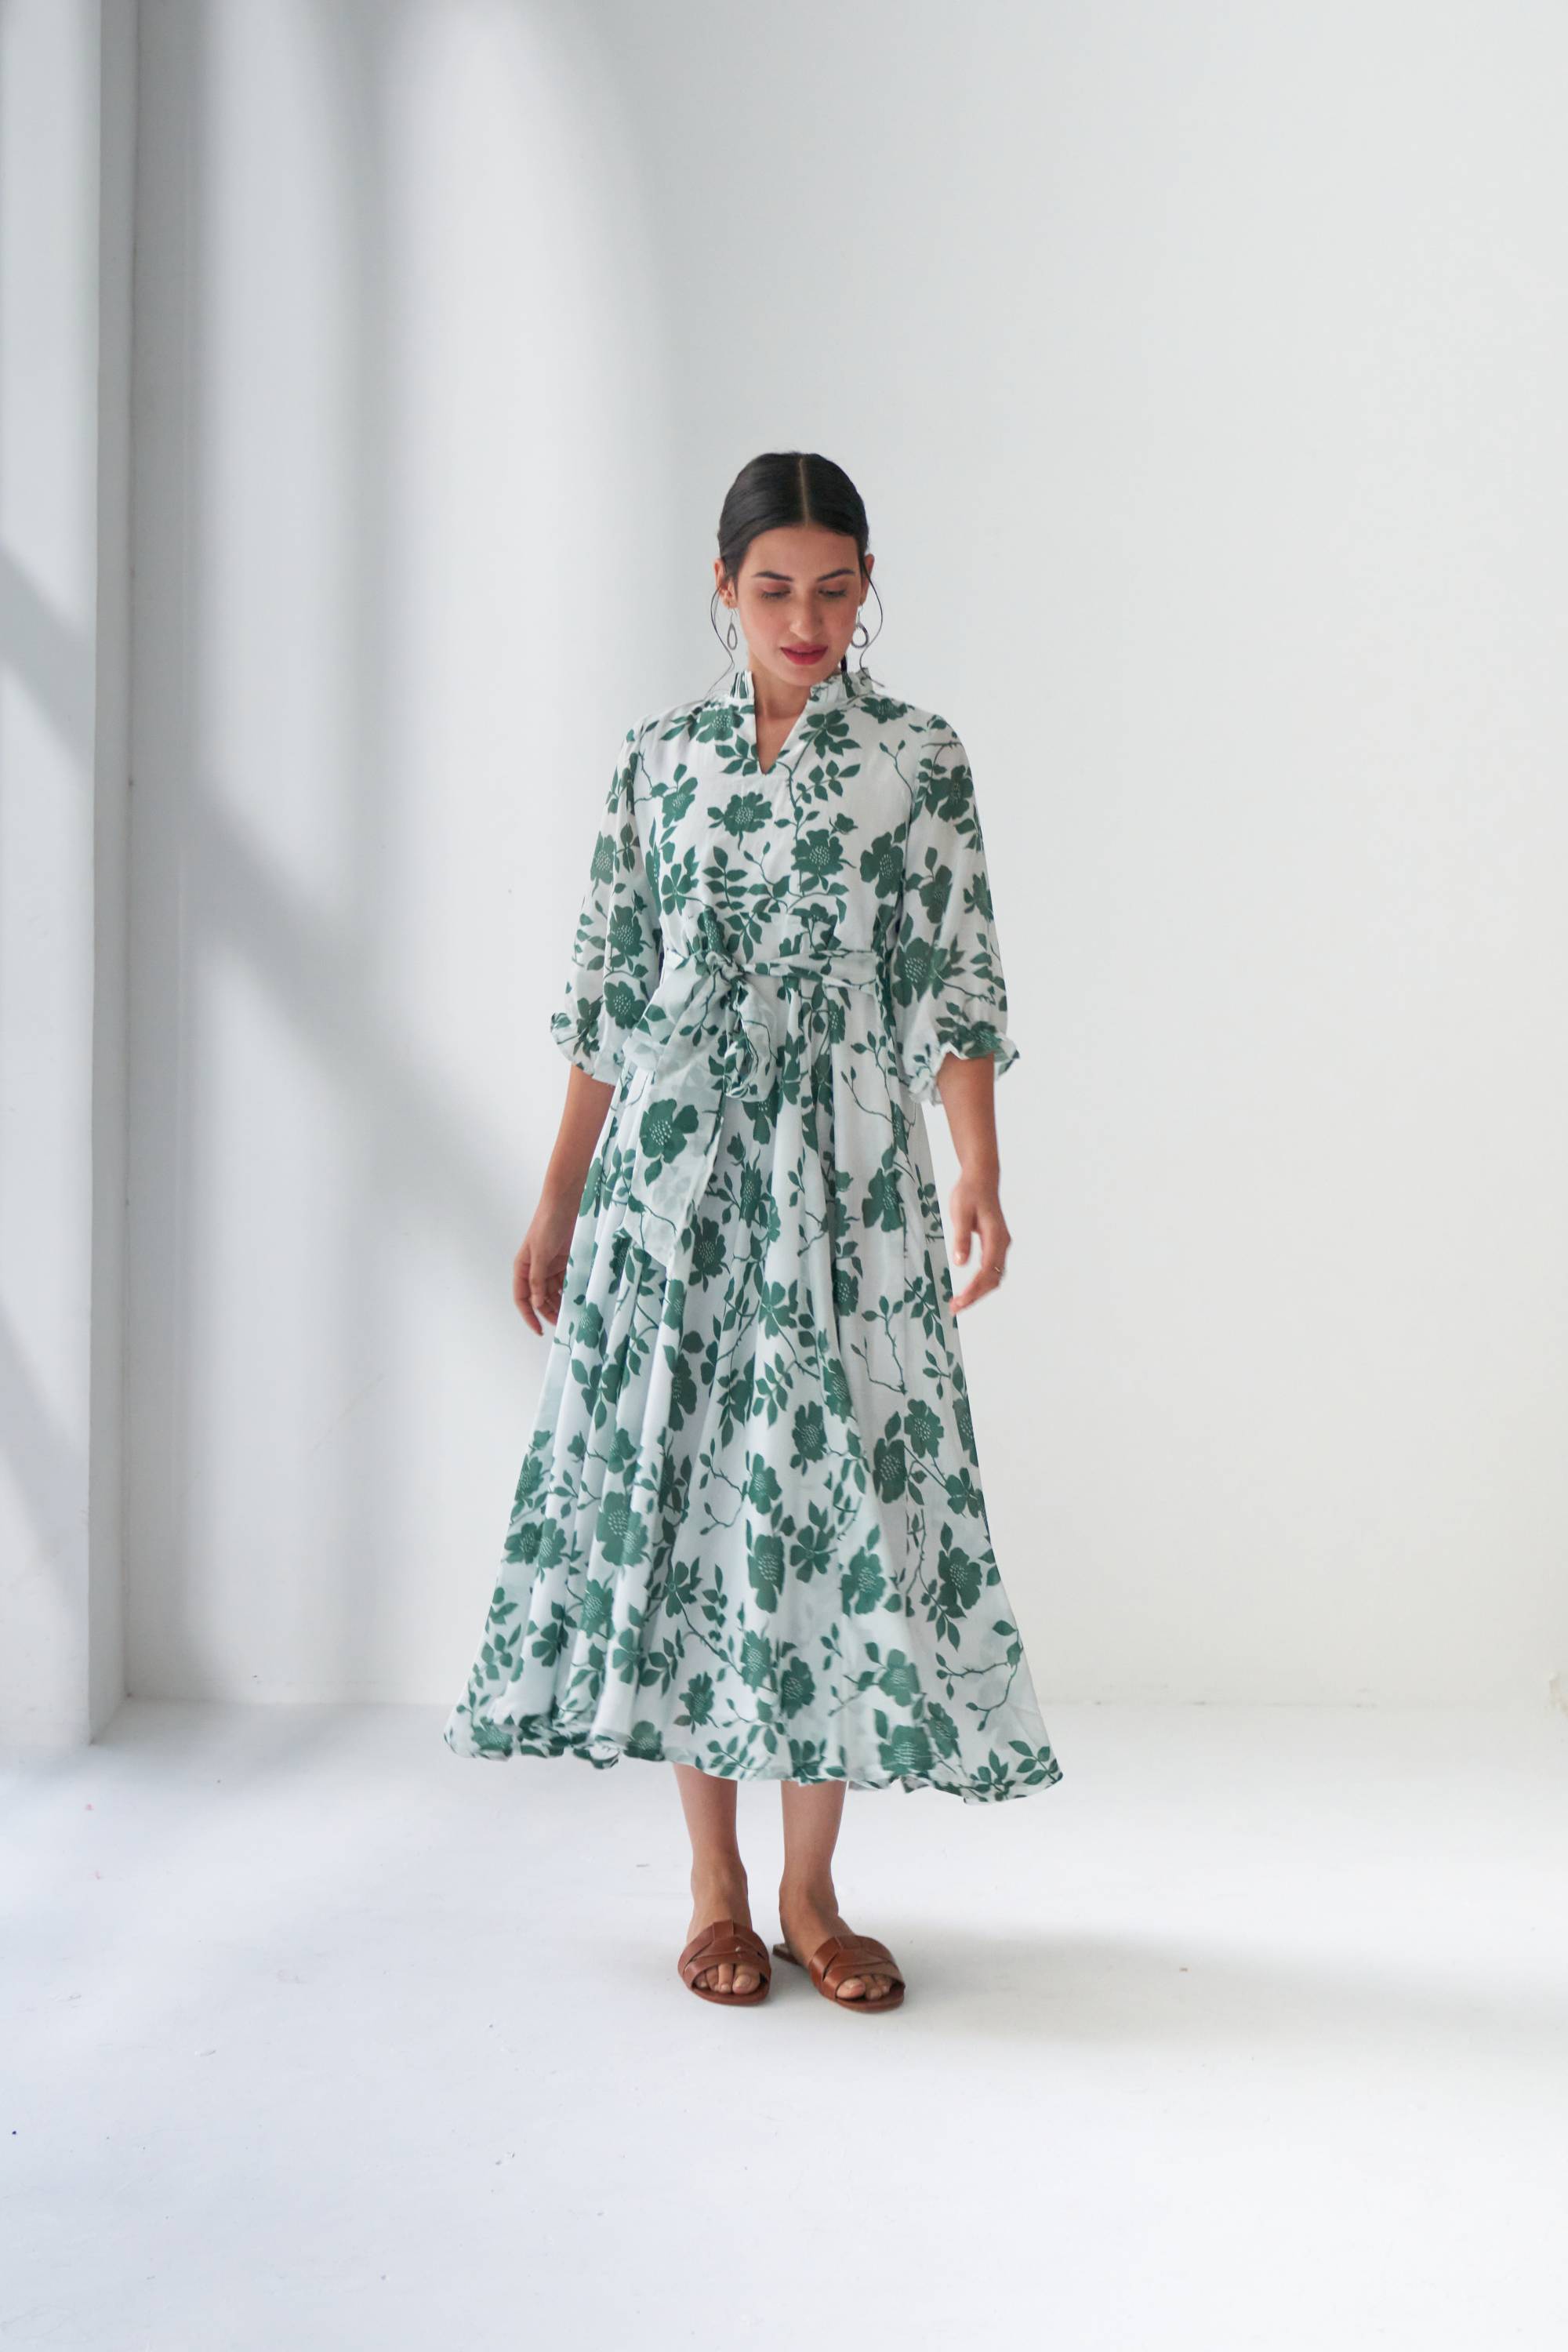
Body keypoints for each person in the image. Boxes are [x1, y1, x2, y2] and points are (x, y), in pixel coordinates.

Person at [443, 451, 1063, 2012]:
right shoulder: (658, 762)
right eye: (774, 588)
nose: (805, 620)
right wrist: (559, 1194)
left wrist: (978, 1170)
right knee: (689, 1491)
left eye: (834, 590)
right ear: (721, 588)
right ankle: (715, 1886)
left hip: (844, 1170)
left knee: (827, 1492)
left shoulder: (917, 759)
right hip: (674, 1168)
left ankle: (812, 1892)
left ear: (867, 590)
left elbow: (959, 977)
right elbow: (608, 987)